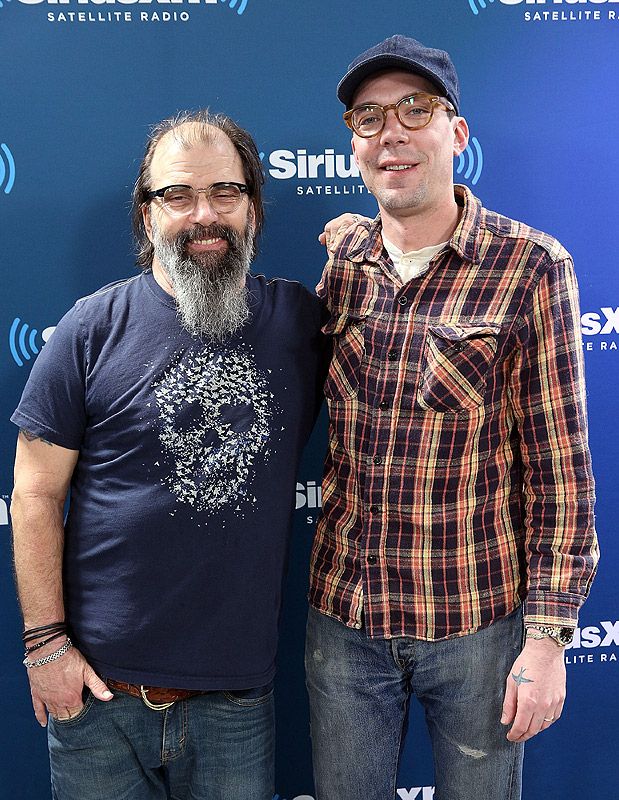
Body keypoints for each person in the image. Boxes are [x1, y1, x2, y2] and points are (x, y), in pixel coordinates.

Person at [306, 35, 598, 800]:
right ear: (353, 144)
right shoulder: (343, 263)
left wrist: (547, 640)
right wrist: (348, 236)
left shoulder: (531, 266)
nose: (390, 133)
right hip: (344, 620)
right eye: (367, 118)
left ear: (456, 134)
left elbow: (560, 471)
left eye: (415, 109)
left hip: (475, 626)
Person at [10, 109, 324, 800]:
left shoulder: (301, 325)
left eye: (225, 192)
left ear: (252, 207)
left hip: (236, 703)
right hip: (96, 698)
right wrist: (45, 648)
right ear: (146, 214)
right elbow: (34, 492)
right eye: (177, 195)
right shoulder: (89, 329)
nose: (202, 214)